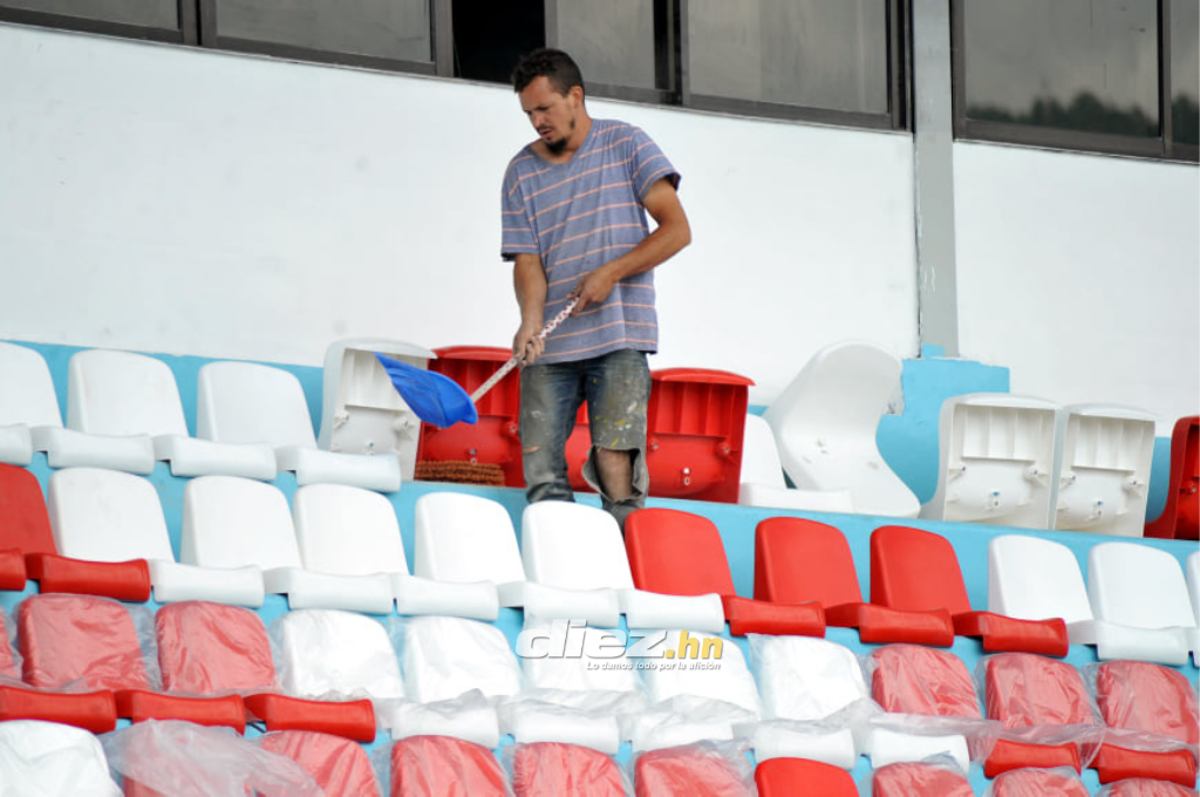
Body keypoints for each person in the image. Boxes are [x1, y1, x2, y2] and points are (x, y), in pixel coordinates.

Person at [500, 48, 691, 531]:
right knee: (542, 472)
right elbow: (527, 261)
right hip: (552, 346)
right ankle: (563, 572)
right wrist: (529, 320)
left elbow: (676, 230)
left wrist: (613, 272)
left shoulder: (627, 143)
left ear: (576, 96)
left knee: (616, 465)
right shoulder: (520, 172)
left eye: (544, 108)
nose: (536, 121)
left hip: (619, 336)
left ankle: (627, 575)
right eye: (528, 113)